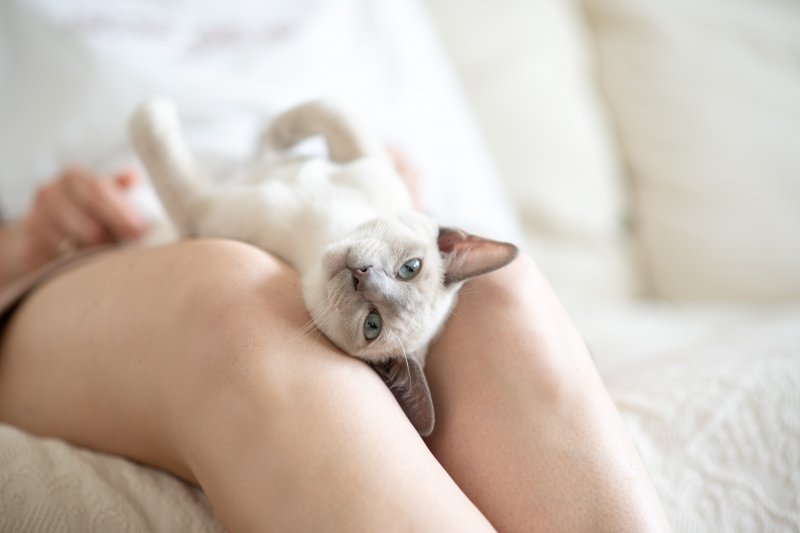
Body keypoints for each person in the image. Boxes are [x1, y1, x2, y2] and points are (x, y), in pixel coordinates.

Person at [0, 161, 670, 531]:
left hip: (342, 207)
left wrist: (396, 173)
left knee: (494, 284)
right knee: (238, 301)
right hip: (106, 248)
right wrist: (21, 242)